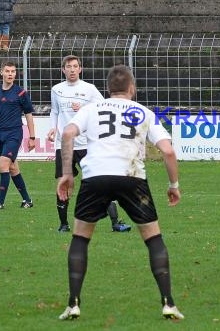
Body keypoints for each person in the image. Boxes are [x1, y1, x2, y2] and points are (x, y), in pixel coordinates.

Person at [57, 65, 184, 320]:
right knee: (153, 238)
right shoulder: (143, 112)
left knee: (81, 238)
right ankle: (168, 302)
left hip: (95, 176)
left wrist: (67, 173)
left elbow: (68, 133)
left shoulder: (91, 108)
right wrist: (173, 186)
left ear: (107, 89)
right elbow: (168, 151)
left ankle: (73, 303)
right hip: (131, 176)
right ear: (132, 89)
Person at [47, 55, 131, 233]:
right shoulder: (56, 90)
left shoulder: (89, 89)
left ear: (80, 69)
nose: (71, 69)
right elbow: (54, 112)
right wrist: (52, 129)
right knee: (64, 183)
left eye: (75, 66)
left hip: (87, 144)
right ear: (63, 70)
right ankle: (63, 224)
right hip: (64, 146)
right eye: (68, 66)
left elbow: (104, 108)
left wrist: (85, 109)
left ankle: (116, 222)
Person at [0, 61, 35, 210]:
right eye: (8, 71)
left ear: (16, 73)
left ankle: (0, 202)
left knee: (3, 163)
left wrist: (32, 137)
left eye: (13, 71)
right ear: (1, 72)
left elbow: (29, 115)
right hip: (0, 134)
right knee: (13, 168)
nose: (10, 74)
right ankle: (27, 200)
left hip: (14, 133)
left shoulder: (21, 93)